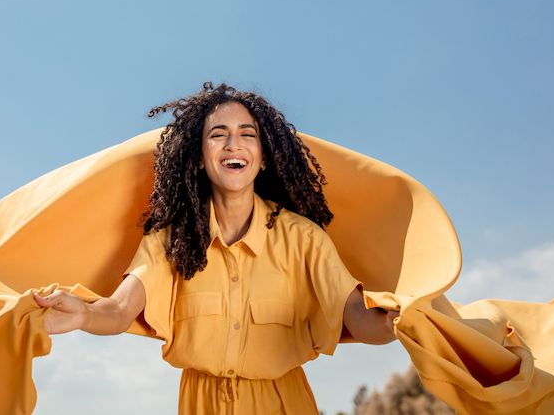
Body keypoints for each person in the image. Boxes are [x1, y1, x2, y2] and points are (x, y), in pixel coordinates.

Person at [34, 82, 398, 414]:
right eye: (218, 135)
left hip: (284, 403)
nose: (233, 144)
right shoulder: (170, 241)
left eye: (247, 134)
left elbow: (358, 317)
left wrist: (397, 323)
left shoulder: (305, 240)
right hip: (200, 404)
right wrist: (84, 314)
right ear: (198, 156)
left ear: (264, 157)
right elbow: (118, 309)